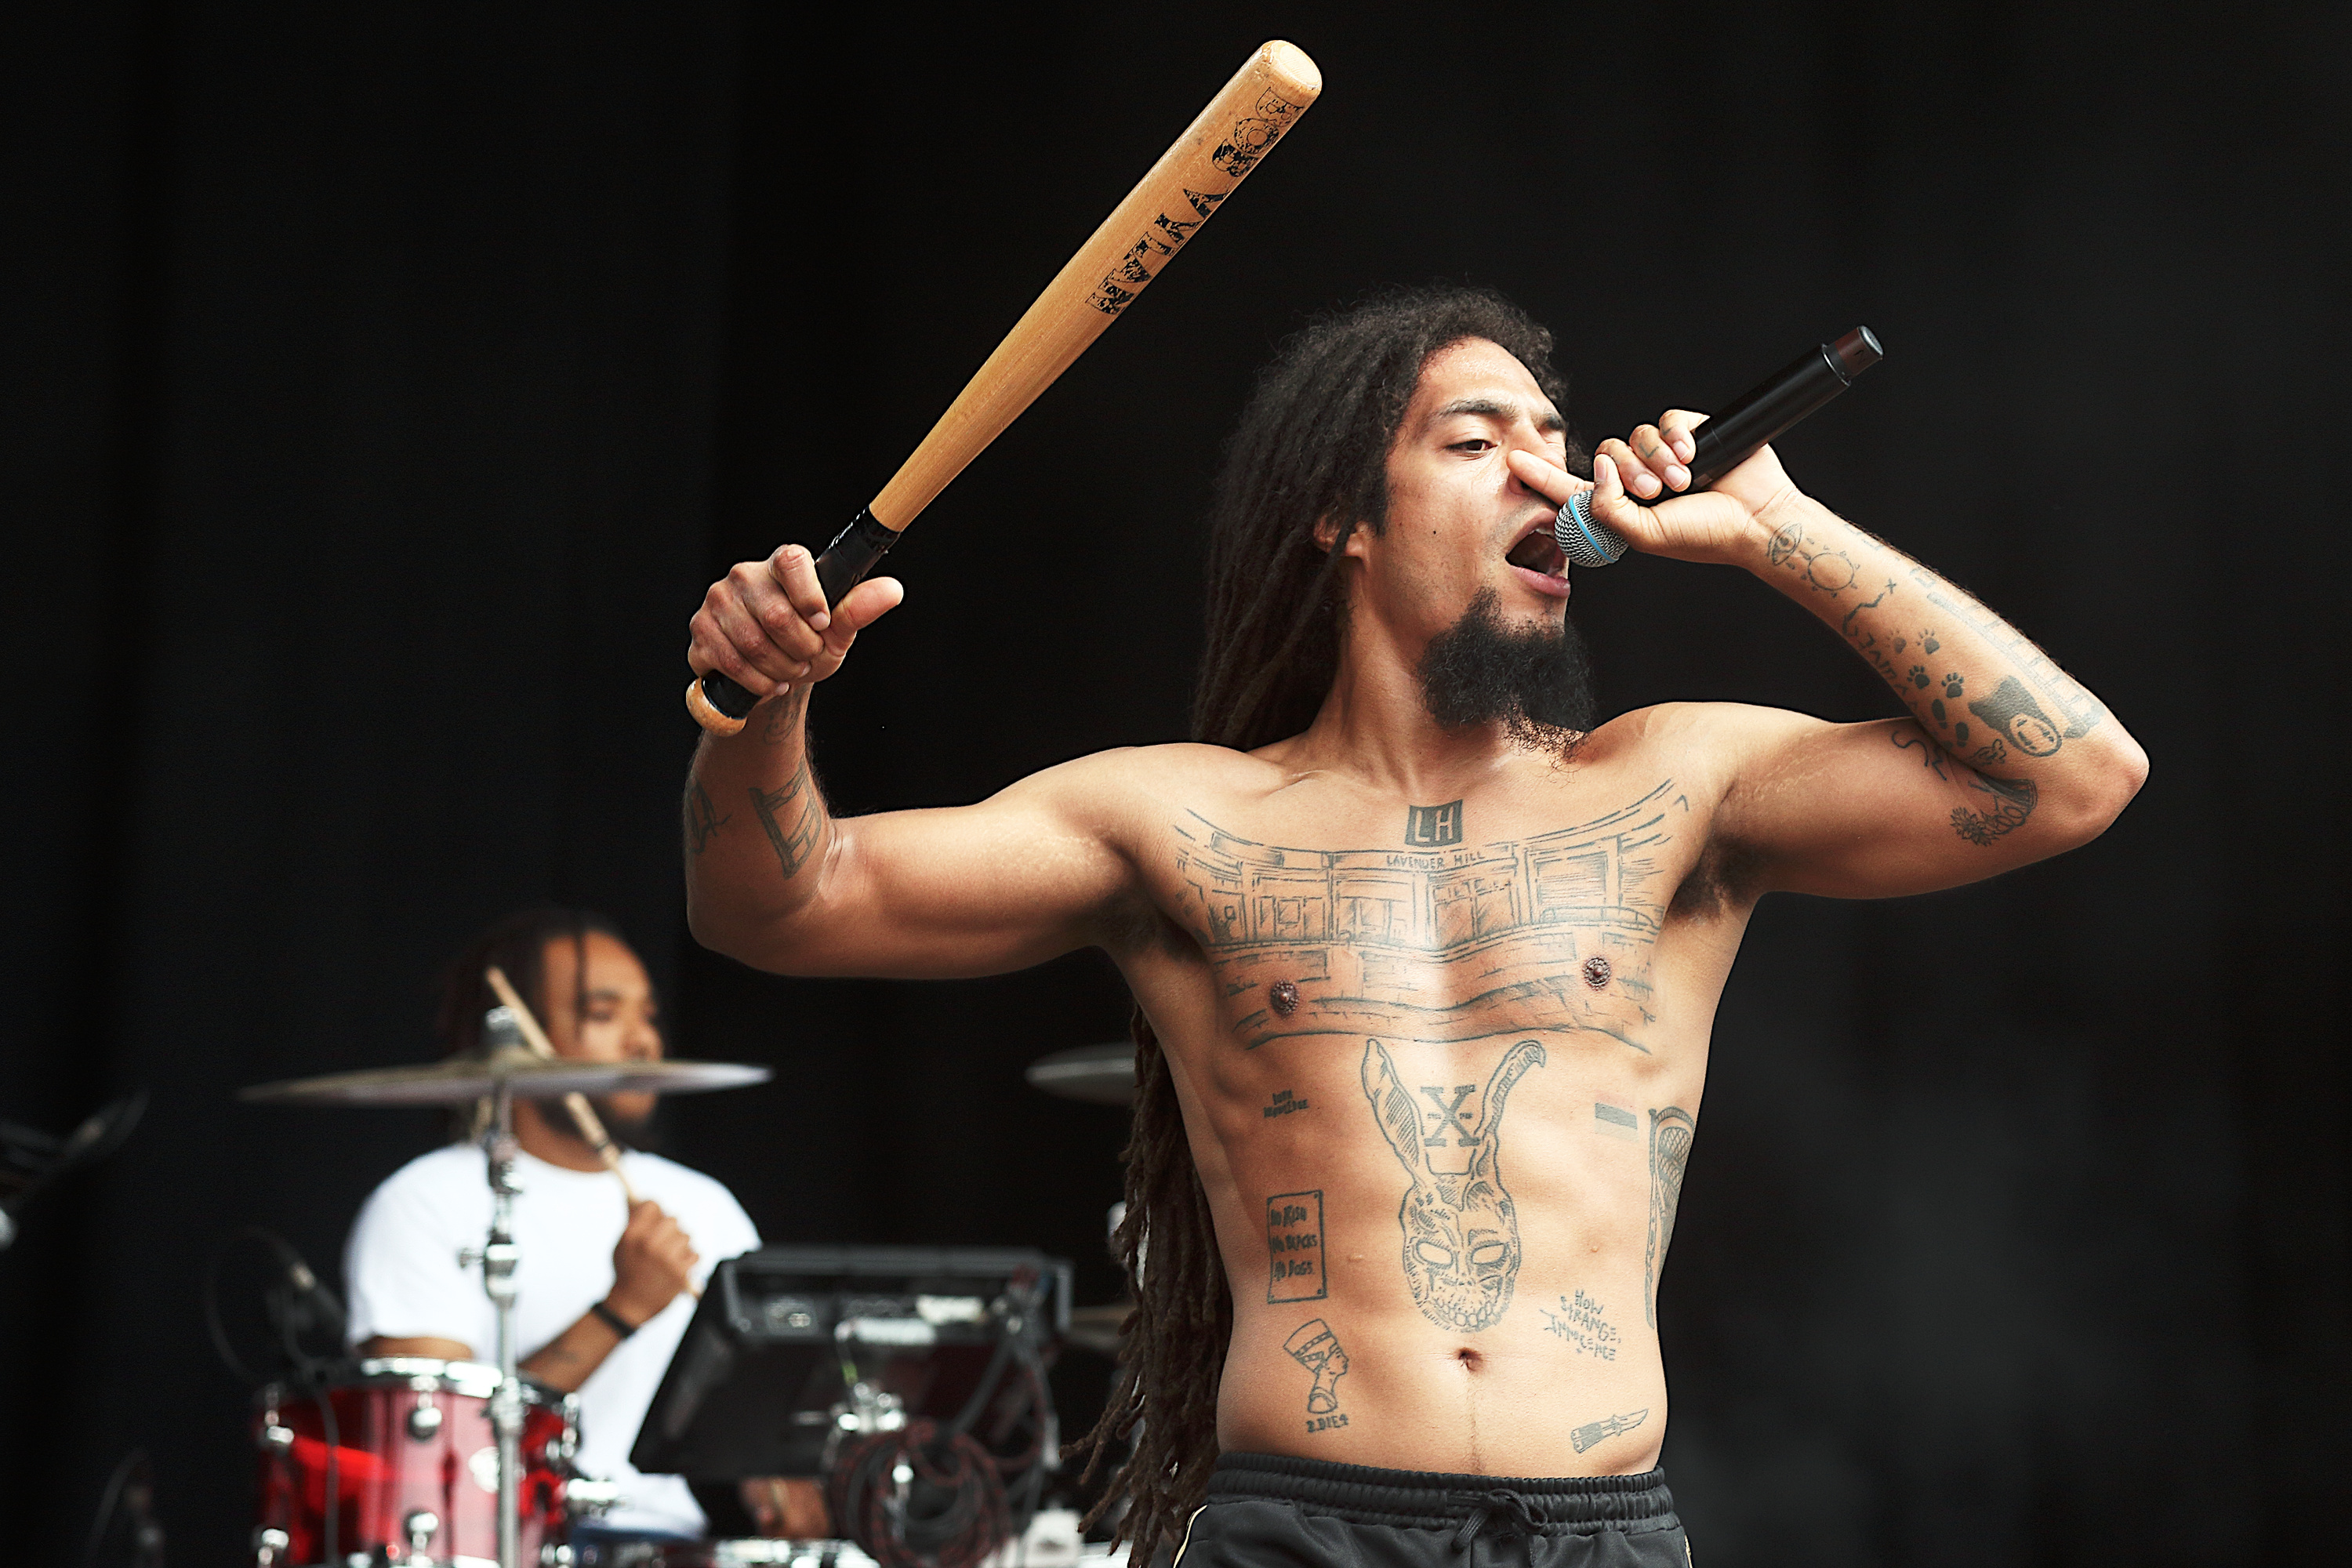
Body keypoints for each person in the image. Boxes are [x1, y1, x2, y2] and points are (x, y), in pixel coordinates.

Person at [679, 288, 2148, 1565]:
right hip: (1304, 1529)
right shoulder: (1178, 819)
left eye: (1553, 446)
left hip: (1599, 1535)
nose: (1545, 476)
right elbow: (779, 906)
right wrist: (767, 705)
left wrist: (1782, 529)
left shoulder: (1673, 786)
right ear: (1344, 516)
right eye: (1476, 442)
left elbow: (2073, 777)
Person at [343, 908, 809, 1548]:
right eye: (603, 1014)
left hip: (683, 1544)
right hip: (509, 1545)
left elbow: (765, 1421)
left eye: (647, 1016)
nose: (642, 1042)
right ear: (520, 1037)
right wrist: (619, 1311)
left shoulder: (704, 1206)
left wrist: (782, 1483)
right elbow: (435, 1456)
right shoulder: (425, 1201)